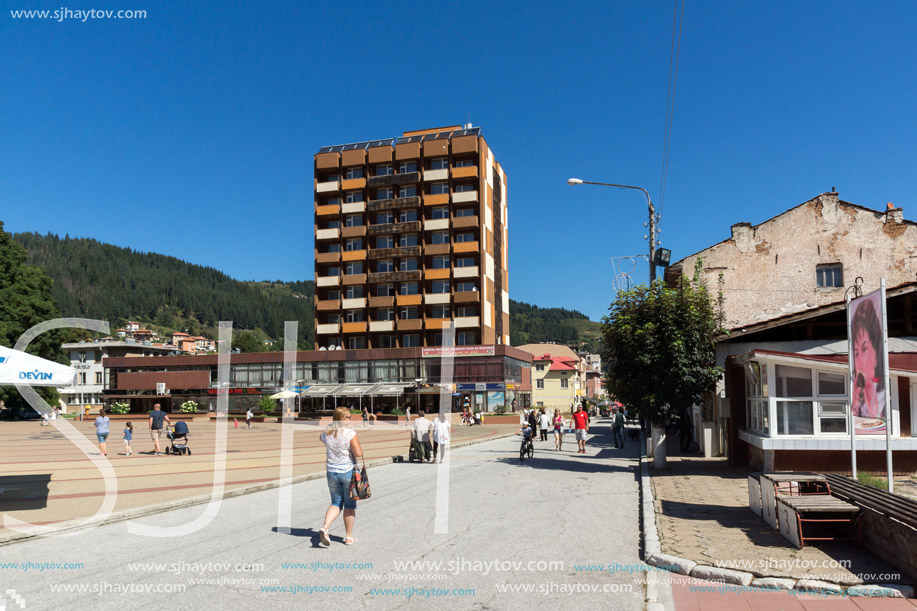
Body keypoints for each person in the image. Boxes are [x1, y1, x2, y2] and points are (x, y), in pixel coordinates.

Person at [318, 407, 363, 546]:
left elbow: (321, 438)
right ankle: (349, 537)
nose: (350, 419)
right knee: (349, 505)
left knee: (336, 502)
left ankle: (325, 527)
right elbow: (358, 453)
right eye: (348, 417)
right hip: (347, 471)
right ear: (341, 419)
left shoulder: (327, 432)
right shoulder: (350, 433)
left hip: (331, 471)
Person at [852, 297, 886, 420]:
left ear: (877, 354)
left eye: (864, 349)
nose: (859, 361)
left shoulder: (886, 394)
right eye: (856, 353)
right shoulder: (857, 393)